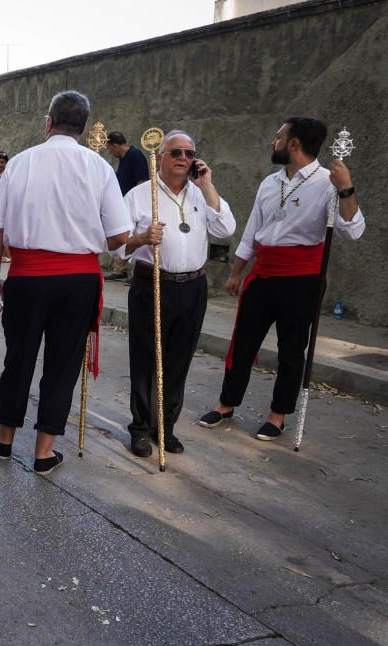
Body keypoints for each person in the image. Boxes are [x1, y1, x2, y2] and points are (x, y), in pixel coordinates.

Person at [0, 90, 129, 475]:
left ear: (48, 122)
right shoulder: (99, 168)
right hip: (78, 280)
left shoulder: (21, 163)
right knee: (62, 365)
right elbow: (118, 237)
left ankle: (5, 439)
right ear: (82, 127)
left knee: (19, 358)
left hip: (28, 278)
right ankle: (44, 451)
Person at [198, 117, 365, 440]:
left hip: (302, 278)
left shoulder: (327, 182)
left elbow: (352, 230)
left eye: (278, 137)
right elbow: (252, 231)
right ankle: (226, 403)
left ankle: (278, 415)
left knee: (291, 349)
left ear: (294, 144)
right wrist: (237, 272)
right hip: (264, 273)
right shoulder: (270, 182)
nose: (272, 142)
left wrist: (346, 188)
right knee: (243, 342)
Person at [121, 131, 236, 457]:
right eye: (176, 152)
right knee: (146, 360)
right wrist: (142, 238)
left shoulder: (202, 193)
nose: (183, 158)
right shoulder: (139, 196)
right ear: (161, 157)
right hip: (152, 283)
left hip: (193, 287)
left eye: (189, 153)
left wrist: (208, 185)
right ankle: (141, 428)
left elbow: (225, 229)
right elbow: (116, 248)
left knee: (178, 360)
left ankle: (165, 426)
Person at [104, 131, 150, 281]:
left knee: (136, 236)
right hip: (122, 203)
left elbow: (142, 181)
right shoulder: (124, 158)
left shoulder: (135, 156)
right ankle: (120, 269)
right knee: (121, 235)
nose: (110, 152)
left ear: (116, 145)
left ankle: (135, 271)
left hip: (134, 205)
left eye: (110, 148)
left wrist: (139, 202)